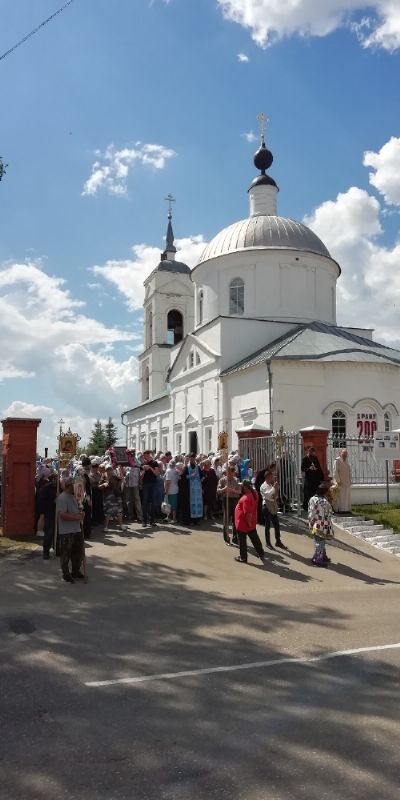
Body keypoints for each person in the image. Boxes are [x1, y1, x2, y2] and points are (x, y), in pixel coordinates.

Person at [56, 477, 85, 583]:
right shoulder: (62, 498)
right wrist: (77, 517)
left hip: (76, 529)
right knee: (66, 553)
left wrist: (81, 513)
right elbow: (62, 515)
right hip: (66, 531)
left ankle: (75, 571)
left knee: (78, 552)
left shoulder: (74, 497)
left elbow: (76, 510)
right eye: (74, 485)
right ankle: (66, 574)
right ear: (69, 486)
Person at [234, 480, 265, 564]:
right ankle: (261, 553)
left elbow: (248, 513)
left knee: (242, 541)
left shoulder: (246, 498)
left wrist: (249, 523)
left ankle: (243, 557)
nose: (241, 487)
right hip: (250, 522)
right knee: (255, 539)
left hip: (243, 524)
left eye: (242, 486)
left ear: (245, 487)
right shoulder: (254, 493)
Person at [308, 482, 334, 566]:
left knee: (320, 541)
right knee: (320, 541)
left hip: (316, 523)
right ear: (325, 492)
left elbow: (311, 512)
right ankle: (318, 559)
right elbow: (329, 513)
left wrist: (311, 521)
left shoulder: (313, 499)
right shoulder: (325, 501)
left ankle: (322, 556)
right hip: (323, 524)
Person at [260, 470, 287, 549]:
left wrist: (277, 489)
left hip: (273, 505)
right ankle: (268, 543)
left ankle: (278, 541)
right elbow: (268, 495)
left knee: (276, 524)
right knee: (268, 525)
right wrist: (274, 488)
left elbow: (274, 495)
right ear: (268, 477)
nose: (273, 478)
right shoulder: (263, 486)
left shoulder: (271, 485)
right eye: (271, 477)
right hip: (266, 506)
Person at [217, 464, 242, 545]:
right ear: (227, 472)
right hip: (226, 500)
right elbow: (218, 491)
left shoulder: (237, 480)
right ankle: (226, 539)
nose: (231, 475)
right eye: (230, 473)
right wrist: (224, 489)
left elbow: (239, 491)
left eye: (233, 473)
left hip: (235, 500)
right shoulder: (222, 480)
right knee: (226, 520)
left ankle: (235, 538)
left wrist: (233, 491)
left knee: (235, 520)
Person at [37, 467, 56, 560]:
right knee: (48, 533)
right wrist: (53, 501)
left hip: (57, 513)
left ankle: (56, 549)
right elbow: (42, 501)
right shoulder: (46, 488)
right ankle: (46, 552)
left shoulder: (59, 488)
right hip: (49, 513)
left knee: (55, 533)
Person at [180, 453, 203, 524]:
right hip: (189, 489)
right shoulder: (186, 467)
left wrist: (200, 483)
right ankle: (188, 520)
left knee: (197, 504)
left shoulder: (197, 467)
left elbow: (202, 476)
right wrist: (191, 476)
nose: (193, 459)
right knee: (188, 505)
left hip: (197, 490)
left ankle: (196, 520)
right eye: (191, 458)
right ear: (189, 458)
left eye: (194, 458)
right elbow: (183, 477)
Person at [99, 466, 124, 531]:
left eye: (110, 470)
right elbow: (99, 487)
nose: (109, 471)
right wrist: (103, 485)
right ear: (106, 471)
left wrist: (118, 486)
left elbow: (121, 480)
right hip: (108, 496)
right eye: (108, 470)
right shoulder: (103, 477)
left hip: (116, 495)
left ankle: (121, 525)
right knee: (108, 512)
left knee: (119, 511)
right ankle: (106, 527)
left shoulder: (115, 476)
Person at [140, 451, 160, 527]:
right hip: (145, 484)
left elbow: (157, 473)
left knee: (153, 502)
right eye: (144, 456)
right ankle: (144, 521)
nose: (144, 457)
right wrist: (144, 470)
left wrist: (150, 468)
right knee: (145, 503)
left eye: (145, 455)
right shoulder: (142, 464)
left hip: (153, 484)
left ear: (149, 455)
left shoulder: (154, 463)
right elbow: (140, 476)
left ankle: (152, 521)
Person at [301, 446, 324, 511]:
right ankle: (307, 507)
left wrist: (321, 476)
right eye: (311, 452)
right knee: (308, 493)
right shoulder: (305, 458)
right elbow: (302, 468)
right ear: (308, 452)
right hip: (308, 479)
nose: (312, 454)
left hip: (315, 479)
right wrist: (309, 469)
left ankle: (315, 506)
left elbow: (319, 467)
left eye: (313, 452)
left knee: (315, 493)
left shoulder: (315, 458)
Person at [123, 451, 143, 522]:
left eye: (132, 453)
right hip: (127, 483)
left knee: (137, 499)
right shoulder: (126, 461)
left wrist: (140, 483)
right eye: (130, 453)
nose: (131, 454)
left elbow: (140, 472)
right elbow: (124, 471)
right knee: (128, 500)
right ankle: (130, 515)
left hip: (135, 483)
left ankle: (139, 516)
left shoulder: (137, 462)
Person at [333, 449, 352, 514]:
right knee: (340, 497)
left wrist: (350, 480)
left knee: (346, 497)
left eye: (346, 455)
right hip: (340, 482)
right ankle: (339, 509)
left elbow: (349, 471)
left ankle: (346, 509)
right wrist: (338, 480)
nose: (345, 456)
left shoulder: (347, 461)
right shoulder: (337, 461)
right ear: (340, 454)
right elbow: (335, 471)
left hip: (347, 482)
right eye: (343, 454)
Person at [80, 457, 92, 539]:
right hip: (85, 498)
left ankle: (86, 532)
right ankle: (86, 532)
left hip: (85, 497)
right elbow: (83, 488)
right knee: (86, 515)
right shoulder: (84, 474)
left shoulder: (84, 473)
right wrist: (88, 499)